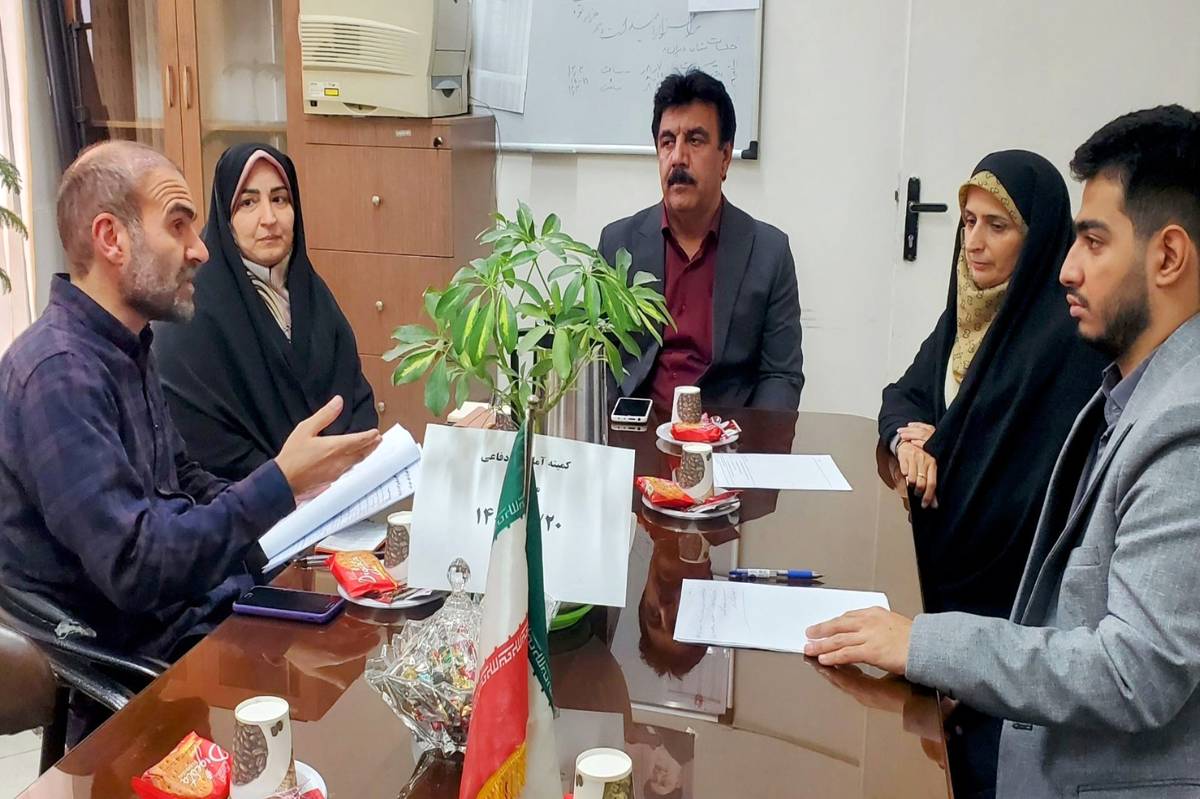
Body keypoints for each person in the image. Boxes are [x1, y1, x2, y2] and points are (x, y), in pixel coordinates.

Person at [806, 105, 1200, 798]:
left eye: (1093, 243)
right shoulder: (1132, 387)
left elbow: (1132, 672)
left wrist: (924, 645)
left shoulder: (1182, 425)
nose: (1066, 269)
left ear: (1167, 256)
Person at [0, 141, 380, 668]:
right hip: (144, 662)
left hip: (196, 611)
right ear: (111, 239)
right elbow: (137, 568)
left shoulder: (126, 347)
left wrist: (297, 506)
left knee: (366, 639)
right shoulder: (58, 374)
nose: (200, 250)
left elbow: (183, 480)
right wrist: (278, 483)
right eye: (178, 226)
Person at [879, 151, 1106, 619]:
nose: (974, 243)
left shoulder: (1066, 341)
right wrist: (908, 444)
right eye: (968, 221)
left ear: (1037, 238)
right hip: (929, 557)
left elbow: (1030, 492)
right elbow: (902, 396)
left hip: (999, 600)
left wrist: (941, 449)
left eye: (997, 226)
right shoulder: (966, 315)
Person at [152, 143, 377, 481]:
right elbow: (201, 437)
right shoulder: (192, 308)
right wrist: (289, 479)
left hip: (340, 490)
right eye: (248, 203)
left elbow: (355, 395)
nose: (269, 219)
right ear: (226, 217)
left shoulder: (312, 295)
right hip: (243, 500)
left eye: (279, 199)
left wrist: (340, 467)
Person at [598, 69, 804, 414]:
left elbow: (781, 376)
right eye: (667, 142)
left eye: (695, 140)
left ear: (725, 157)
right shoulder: (618, 244)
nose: (678, 157)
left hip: (728, 434)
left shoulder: (769, 253)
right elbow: (599, 359)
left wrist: (752, 441)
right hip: (637, 431)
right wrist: (615, 430)